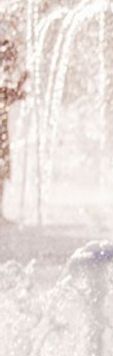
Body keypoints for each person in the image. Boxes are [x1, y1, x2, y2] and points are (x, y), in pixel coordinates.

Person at [0, 39, 27, 222]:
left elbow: (8, 96)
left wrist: (20, 84)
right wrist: (20, 85)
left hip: (2, 135)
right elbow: (6, 95)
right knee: (1, 168)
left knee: (2, 170)